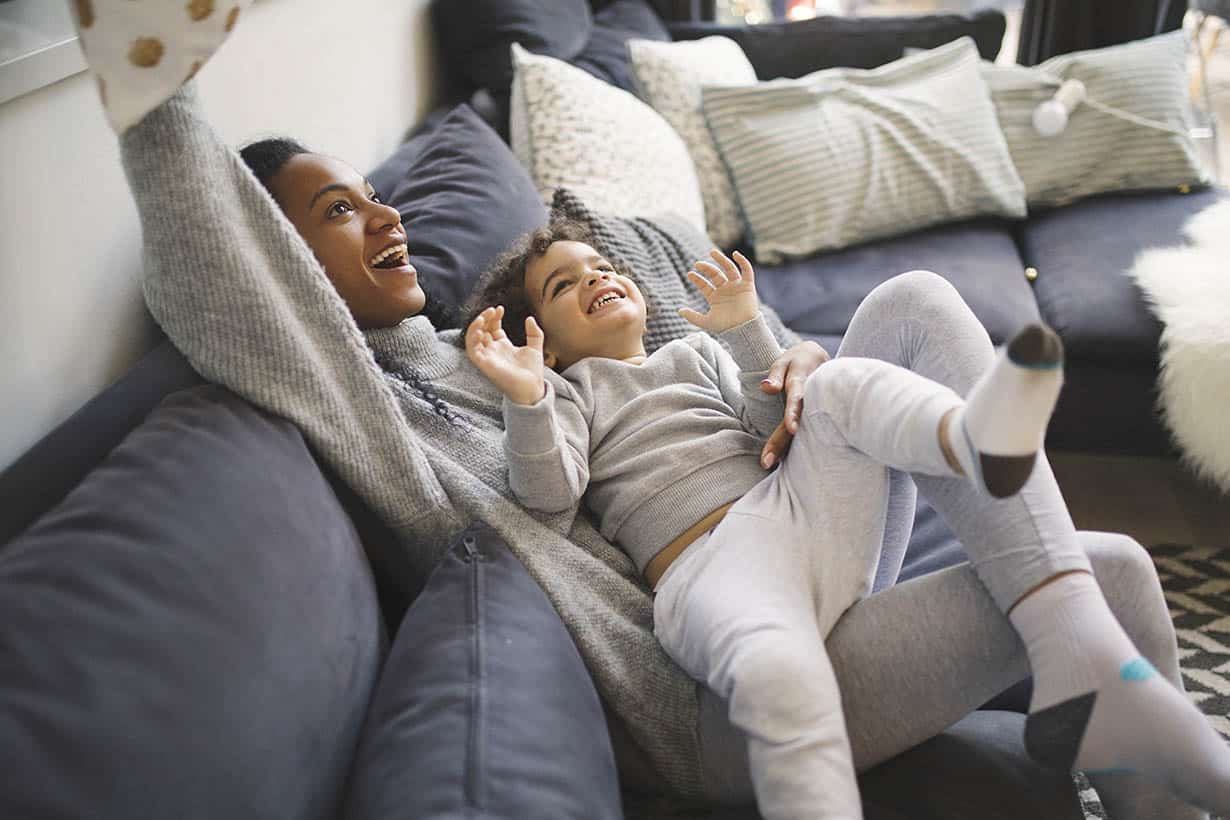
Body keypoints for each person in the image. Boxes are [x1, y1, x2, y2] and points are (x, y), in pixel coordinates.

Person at [118, 80, 1215, 820]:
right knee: (1116, 567)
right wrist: (149, 86)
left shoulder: (477, 342)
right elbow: (217, 271)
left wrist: (789, 364)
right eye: (337, 214)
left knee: (919, 307)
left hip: (797, 537)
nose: (385, 217)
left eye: (371, 196)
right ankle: (1118, 725)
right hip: (713, 684)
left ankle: (1094, 690)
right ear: (285, 264)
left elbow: (700, 389)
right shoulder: (376, 395)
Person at [463, 221, 1230, 820]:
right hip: (726, 566)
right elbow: (548, 498)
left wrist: (753, 336)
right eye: (565, 285)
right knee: (1117, 569)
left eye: (599, 264)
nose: (594, 277)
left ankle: (967, 438)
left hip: (807, 517)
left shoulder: (693, 353)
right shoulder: (565, 393)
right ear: (547, 341)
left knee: (861, 355)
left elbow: (773, 425)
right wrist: (525, 400)